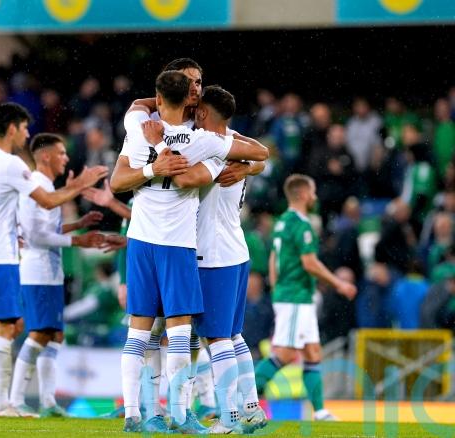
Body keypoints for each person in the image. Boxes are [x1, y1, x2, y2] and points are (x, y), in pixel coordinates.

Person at [111, 70, 268, 433]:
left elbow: (128, 179)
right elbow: (260, 152)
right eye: (192, 84)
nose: (196, 90)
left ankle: (175, 413)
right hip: (213, 250)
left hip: (200, 251)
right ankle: (233, 409)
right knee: (216, 335)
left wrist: (157, 151)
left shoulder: (141, 128)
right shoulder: (214, 142)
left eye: (200, 84)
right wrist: (251, 166)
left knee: (183, 335)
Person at [0, 103, 106, 417]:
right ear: (12, 128)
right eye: (24, 128)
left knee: (5, 325)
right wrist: (80, 184)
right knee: (7, 326)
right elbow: (47, 201)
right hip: (2, 255)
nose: (26, 134)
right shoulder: (11, 164)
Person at [169, 85, 268, 433]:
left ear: (202, 113)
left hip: (211, 255)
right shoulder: (235, 142)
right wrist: (250, 168)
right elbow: (261, 155)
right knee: (233, 335)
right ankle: (252, 408)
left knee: (217, 338)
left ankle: (229, 417)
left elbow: (184, 179)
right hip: (236, 251)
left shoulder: (208, 147)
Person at [9, 133, 106, 417]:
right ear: (46, 156)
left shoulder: (48, 186)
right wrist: (78, 240)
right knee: (40, 333)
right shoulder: (36, 185)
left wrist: (77, 224)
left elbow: (47, 230)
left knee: (55, 335)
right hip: (36, 270)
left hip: (50, 271)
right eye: (61, 153)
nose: (66, 158)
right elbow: (35, 235)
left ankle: (49, 402)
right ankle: (15, 400)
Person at [255, 174, 357, 421]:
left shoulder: (283, 222)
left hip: (294, 295)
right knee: (285, 354)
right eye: (312, 192)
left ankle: (320, 412)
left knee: (312, 352)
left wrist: (276, 286)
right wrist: (339, 284)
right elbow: (309, 263)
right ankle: (243, 400)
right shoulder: (302, 225)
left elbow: (274, 258)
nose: (315, 196)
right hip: (295, 296)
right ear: (302, 194)